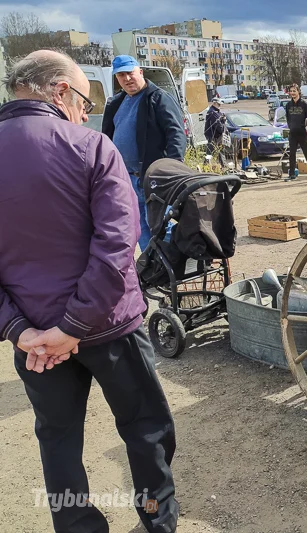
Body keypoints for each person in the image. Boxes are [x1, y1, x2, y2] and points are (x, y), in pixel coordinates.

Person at [0, 50, 178, 533]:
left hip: (34, 340)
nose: (86, 110)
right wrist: (73, 326)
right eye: (84, 98)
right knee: (146, 429)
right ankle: (156, 522)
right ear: (59, 91)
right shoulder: (91, 147)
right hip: (108, 326)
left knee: (57, 440)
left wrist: (20, 329)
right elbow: (118, 245)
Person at [102, 55, 186, 252]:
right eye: (121, 75)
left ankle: (177, 263)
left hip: (153, 177)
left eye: (130, 73)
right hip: (127, 178)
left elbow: (176, 133)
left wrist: (173, 169)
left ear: (140, 72)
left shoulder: (158, 98)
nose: (127, 79)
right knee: (140, 227)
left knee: (160, 224)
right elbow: (107, 137)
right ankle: (154, 269)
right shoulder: (116, 103)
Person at [285, 83, 307, 180]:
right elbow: (288, 118)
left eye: (294, 91)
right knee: (292, 154)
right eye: (291, 91)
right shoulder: (288, 105)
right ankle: (292, 173)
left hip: (302, 133)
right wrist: (291, 126)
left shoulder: (304, 104)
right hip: (293, 133)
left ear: (298, 91)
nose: (292, 93)